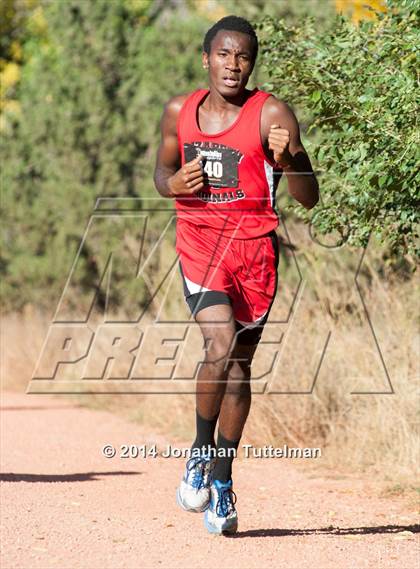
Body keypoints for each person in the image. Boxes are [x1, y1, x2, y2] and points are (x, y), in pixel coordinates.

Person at [154, 15, 319, 535]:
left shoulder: (271, 112)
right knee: (219, 345)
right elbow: (161, 173)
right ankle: (201, 454)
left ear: (252, 63)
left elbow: (308, 196)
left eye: (243, 56)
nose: (233, 64)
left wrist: (289, 156)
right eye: (223, 54)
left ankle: (222, 480)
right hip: (200, 245)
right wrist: (173, 183)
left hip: (254, 252)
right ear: (207, 58)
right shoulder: (180, 111)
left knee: (240, 368)